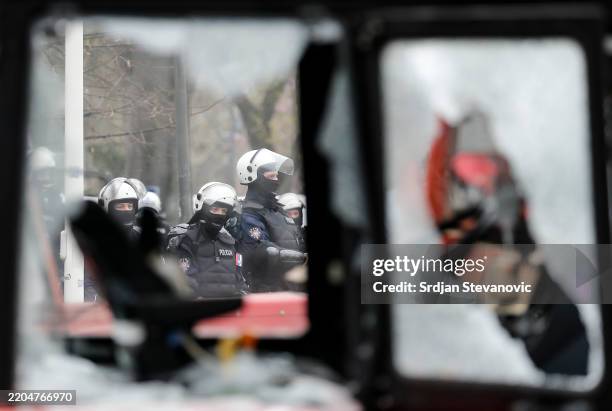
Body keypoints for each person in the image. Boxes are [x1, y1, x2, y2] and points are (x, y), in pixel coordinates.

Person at [236, 148, 307, 292]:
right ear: (253, 176)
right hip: (268, 291)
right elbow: (265, 250)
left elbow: (296, 242)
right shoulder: (250, 214)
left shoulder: (279, 211)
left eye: (276, 175)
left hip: (293, 288)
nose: (276, 180)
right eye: (271, 175)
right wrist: (299, 257)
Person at [166, 182, 246, 298]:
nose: (220, 214)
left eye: (223, 211)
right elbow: (185, 283)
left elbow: (239, 281)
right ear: (202, 208)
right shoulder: (186, 239)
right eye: (215, 209)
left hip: (230, 310)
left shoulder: (230, 241)